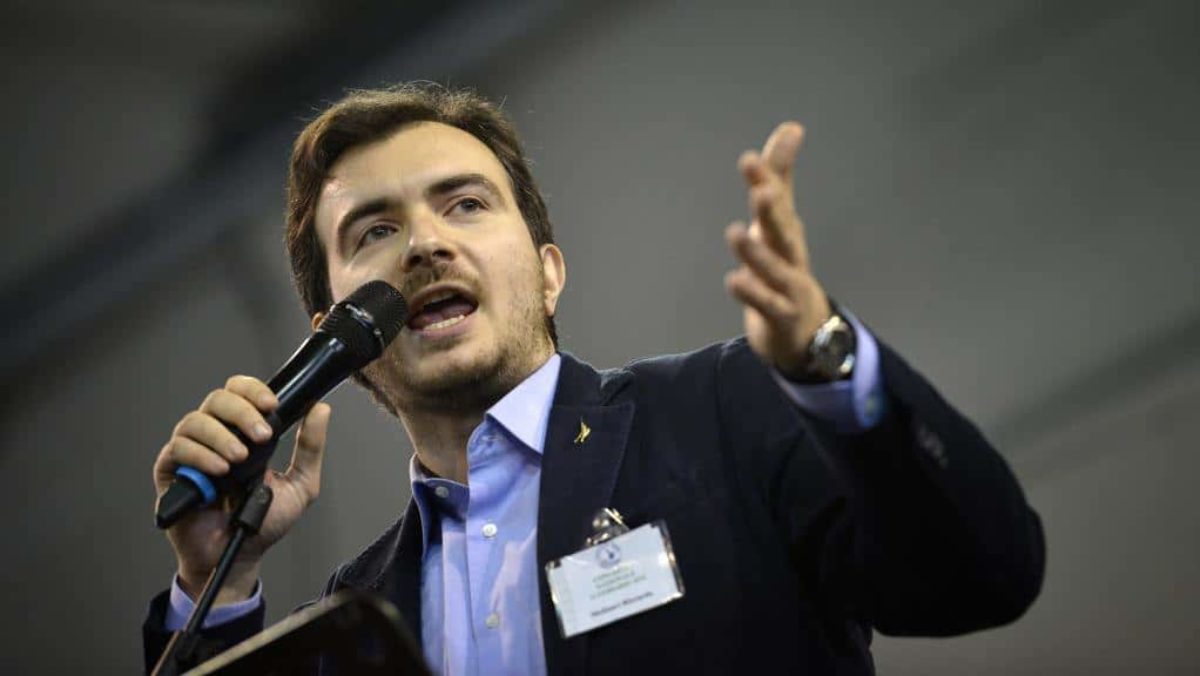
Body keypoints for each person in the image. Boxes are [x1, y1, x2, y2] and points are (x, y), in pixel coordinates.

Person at [143, 83, 1045, 674]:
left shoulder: (722, 413)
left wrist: (829, 363)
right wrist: (217, 584)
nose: (424, 244)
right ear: (336, 336)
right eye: (374, 232)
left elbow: (982, 576)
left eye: (465, 204)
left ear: (548, 274)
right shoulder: (354, 618)